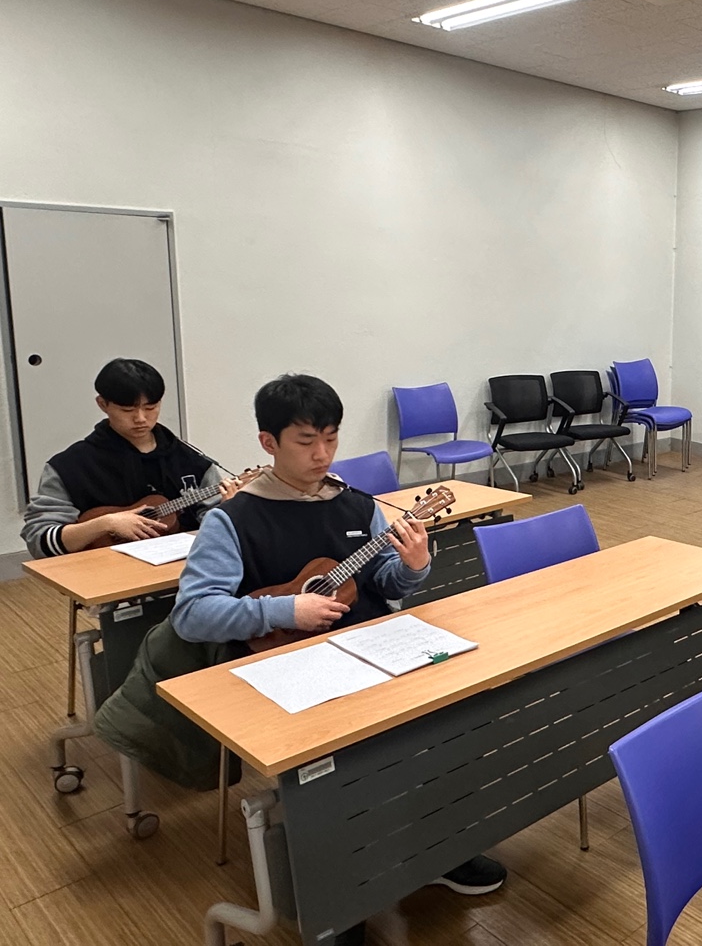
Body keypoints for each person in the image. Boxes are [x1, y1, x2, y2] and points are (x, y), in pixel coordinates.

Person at [95, 376, 505, 944]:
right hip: (283, 667)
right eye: (306, 441)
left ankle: (436, 849)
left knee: (448, 720)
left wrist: (413, 566)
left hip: (366, 652)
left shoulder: (358, 504)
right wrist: (287, 609)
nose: (322, 455)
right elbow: (192, 613)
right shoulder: (233, 519)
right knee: (338, 767)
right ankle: (338, 903)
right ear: (269, 443)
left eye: (331, 439)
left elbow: (384, 582)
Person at [22, 358, 232, 558]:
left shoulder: (191, 460)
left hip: (183, 568)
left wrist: (229, 510)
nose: (140, 418)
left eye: (150, 408)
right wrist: (104, 524)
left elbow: (219, 527)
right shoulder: (70, 466)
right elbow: (39, 539)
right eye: (127, 410)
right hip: (100, 572)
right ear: (102, 404)